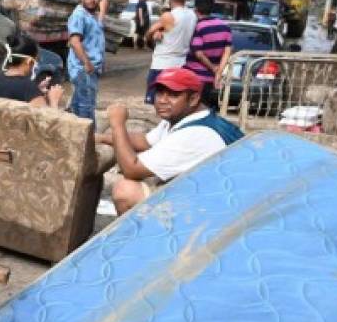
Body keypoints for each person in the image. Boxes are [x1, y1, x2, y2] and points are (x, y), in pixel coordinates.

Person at [97, 67, 243, 214]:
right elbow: (145, 142)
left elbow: (131, 169)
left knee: (125, 191)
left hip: (221, 209)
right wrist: (102, 138)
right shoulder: (184, 117)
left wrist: (117, 124)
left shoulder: (195, 134)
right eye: (160, 93)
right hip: (212, 193)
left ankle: (145, 236)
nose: (162, 100)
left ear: (193, 99)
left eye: (173, 95)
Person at [144, 0, 197, 104]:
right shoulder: (192, 15)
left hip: (161, 64)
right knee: (174, 103)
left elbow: (148, 33)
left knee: (157, 103)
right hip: (181, 64)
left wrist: (152, 38)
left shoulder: (169, 16)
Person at [0, 32, 64, 108]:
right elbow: (49, 119)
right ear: (28, 61)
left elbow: (16, 92)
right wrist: (54, 100)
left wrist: (37, 91)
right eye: (36, 60)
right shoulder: (28, 88)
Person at [66, 0, 106, 122]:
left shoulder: (91, 16)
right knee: (86, 110)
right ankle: (90, 139)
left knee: (79, 107)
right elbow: (75, 41)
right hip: (83, 70)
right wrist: (87, 63)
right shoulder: (79, 15)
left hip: (90, 70)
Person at [185, 0, 233, 107]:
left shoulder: (198, 27)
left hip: (194, 75)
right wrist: (218, 72)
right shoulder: (225, 27)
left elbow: (198, 53)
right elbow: (227, 51)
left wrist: (212, 67)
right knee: (204, 107)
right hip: (209, 79)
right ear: (212, 8)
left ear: (196, 9)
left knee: (191, 108)